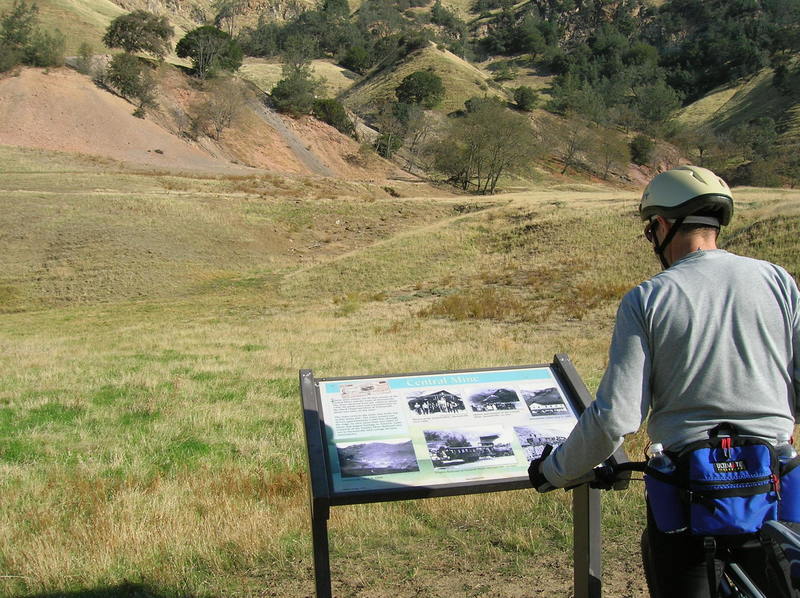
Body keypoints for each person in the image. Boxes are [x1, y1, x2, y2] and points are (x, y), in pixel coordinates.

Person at [528, 165, 800, 597]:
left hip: (688, 494)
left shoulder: (649, 298)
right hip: (774, 485)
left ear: (663, 224)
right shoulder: (778, 282)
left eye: (651, 230)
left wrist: (554, 471)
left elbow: (616, 417)